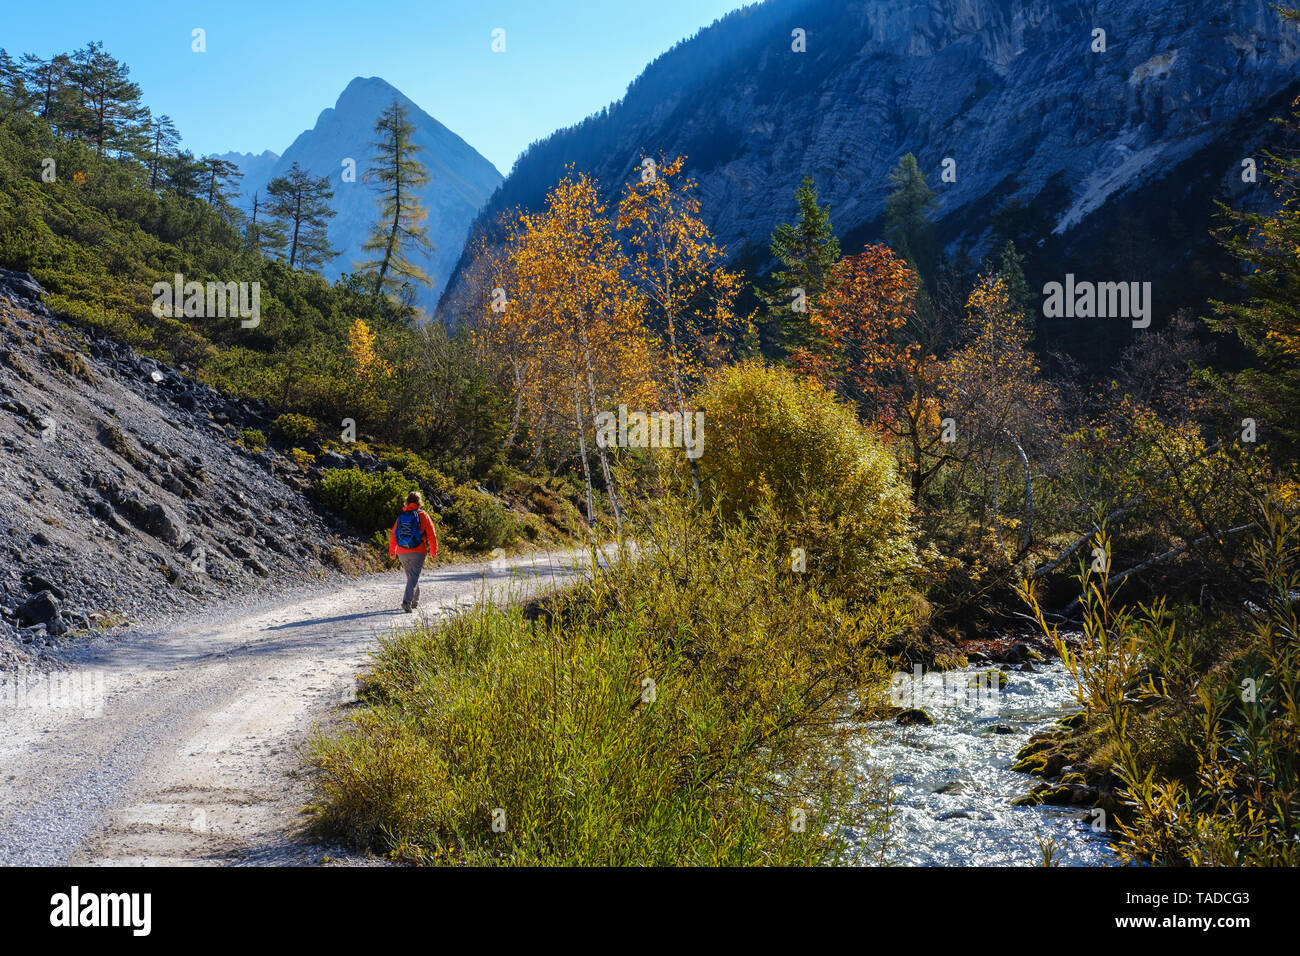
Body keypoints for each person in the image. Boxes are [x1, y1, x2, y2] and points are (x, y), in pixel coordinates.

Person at [388, 491, 438, 612]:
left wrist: (392, 551)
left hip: (402, 551)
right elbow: (431, 534)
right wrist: (433, 550)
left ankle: (415, 601)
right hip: (418, 551)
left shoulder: (402, 516)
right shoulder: (423, 515)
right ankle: (407, 601)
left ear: (407, 502)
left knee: (411, 577)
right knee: (413, 577)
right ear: (419, 502)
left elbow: (394, 534)